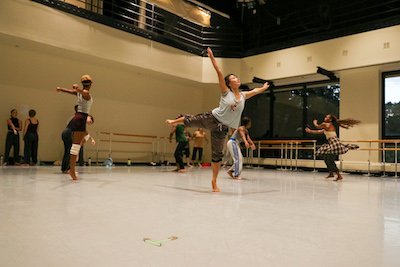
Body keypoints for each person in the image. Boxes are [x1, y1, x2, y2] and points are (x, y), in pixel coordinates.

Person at [166, 47, 270, 192]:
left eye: (237, 77)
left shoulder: (244, 95)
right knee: (191, 120)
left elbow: (255, 91)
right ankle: (173, 121)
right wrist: (212, 58)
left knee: (217, 155)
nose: (237, 79)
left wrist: (264, 87)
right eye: (233, 78)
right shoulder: (225, 92)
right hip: (212, 118)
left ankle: (214, 181)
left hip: (222, 128)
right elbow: (219, 72)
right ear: (229, 83)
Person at [56, 75, 93, 180]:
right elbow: (83, 92)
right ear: (91, 84)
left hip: (77, 117)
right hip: (81, 118)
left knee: (79, 142)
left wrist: (62, 89)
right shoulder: (86, 94)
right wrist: (78, 89)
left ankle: (71, 170)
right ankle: (72, 171)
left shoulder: (81, 93)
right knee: (76, 146)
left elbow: (71, 92)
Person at [305, 114, 360, 181]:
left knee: (330, 159)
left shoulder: (326, 124)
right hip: (332, 143)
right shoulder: (327, 126)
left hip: (334, 143)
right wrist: (310, 131)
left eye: (326, 117)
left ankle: (339, 175)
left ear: (330, 119)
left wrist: (315, 123)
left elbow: (317, 127)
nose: (325, 118)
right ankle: (331, 173)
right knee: (326, 157)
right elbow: (319, 131)